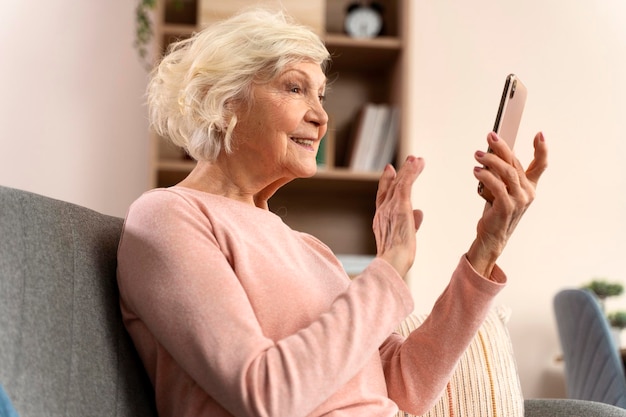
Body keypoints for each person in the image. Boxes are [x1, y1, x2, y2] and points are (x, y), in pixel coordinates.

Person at [116, 7, 548, 417]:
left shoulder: (311, 250)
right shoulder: (169, 216)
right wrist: (389, 270)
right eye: (294, 87)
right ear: (225, 101)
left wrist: (486, 247)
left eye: (321, 94)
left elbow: (403, 387)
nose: (322, 116)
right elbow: (265, 394)